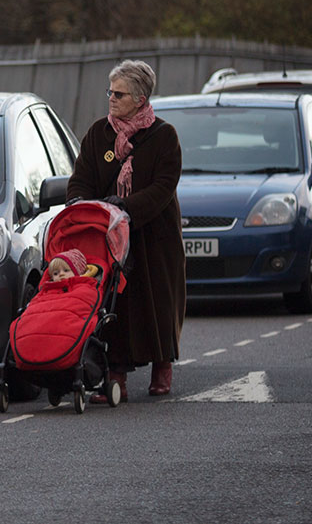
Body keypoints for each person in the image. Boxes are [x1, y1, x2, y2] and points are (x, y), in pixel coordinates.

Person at [66, 59, 185, 400]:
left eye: (119, 94)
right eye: (110, 91)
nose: (112, 99)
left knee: (156, 303)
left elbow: (163, 187)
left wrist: (124, 208)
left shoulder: (164, 136)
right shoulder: (97, 134)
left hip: (153, 236)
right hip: (108, 237)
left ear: (141, 98)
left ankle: (163, 364)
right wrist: (80, 206)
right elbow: (81, 180)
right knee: (114, 305)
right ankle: (114, 375)